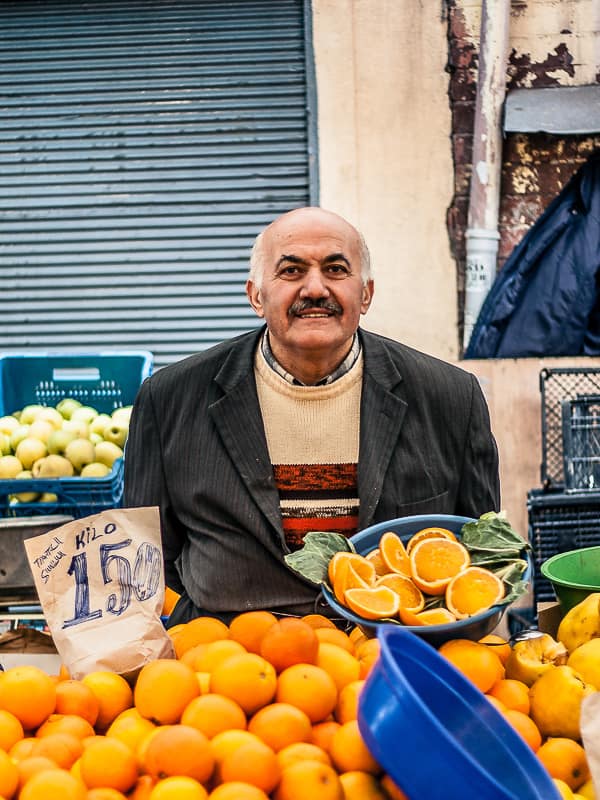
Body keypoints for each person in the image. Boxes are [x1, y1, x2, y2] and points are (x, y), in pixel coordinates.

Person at [123, 206, 500, 626]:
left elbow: (481, 557)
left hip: (391, 660)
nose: (315, 288)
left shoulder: (449, 398)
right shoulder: (171, 398)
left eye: (336, 269)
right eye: (291, 271)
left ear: (366, 294)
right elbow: (144, 558)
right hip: (233, 663)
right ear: (256, 295)